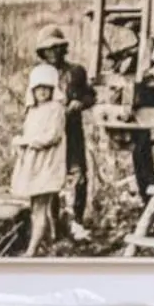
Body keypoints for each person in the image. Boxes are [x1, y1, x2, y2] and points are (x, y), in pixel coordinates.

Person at [34, 25, 95, 240]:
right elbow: (31, 102)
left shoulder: (76, 71)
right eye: (48, 49)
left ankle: (75, 221)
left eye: (56, 48)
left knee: (76, 172)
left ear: (62, 48)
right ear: (42, 52)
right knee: (50, 175)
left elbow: (91, 96)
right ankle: (53, 224)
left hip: (72, 129)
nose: (53, 53)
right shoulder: (39, 75)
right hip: (49, 131)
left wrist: (80, 102)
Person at [11, 63, 68, 256]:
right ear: (32, 91)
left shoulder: (56, 109)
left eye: (46, 88)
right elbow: (29, 133)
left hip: (47, 164)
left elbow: (52, 136)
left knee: (41, 206)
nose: (42, 92)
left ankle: (31, 251)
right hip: (34, 164)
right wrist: (20, 145)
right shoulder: (33, 111)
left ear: (53, 89)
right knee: (36, 207)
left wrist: (27, 142)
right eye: (38, 88)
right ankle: (47, 242)